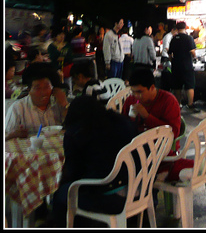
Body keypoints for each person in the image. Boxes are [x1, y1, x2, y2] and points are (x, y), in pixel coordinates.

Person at [50, 95, 138, 227]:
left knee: (62, 194)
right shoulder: (123, 122)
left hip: (109, 198)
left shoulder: (76, 133)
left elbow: (73, 172)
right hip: (138, 190)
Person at [5, 62, 69, 140]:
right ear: (29, 90)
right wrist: (14, 134)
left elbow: (74, 127)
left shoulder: (58, 103)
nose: (43, 92)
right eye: (37, 88)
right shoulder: (18, 108)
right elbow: (6, 137)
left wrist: (65, 104)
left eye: (47, 87)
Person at [122, 67, 181, 138]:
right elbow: (122, 123)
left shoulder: (169, 101)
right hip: (136, 141)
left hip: (160, 144)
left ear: (152, 87)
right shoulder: (131, 99)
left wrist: (146, 116)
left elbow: (174, 132)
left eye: (139, 92)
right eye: (133, 92)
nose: (136, 96)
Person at [168, 21, 199, 112]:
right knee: (189, 85)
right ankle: (190, 104)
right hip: (187, 66)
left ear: (177, 29)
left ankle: (178, 105)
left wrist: (173, 61)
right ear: (185, 27)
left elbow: (170, 54)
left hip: (176, 66)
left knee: (177, 86)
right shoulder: (188, 38)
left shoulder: (174, 39)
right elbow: (192, 51)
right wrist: (195, 58)